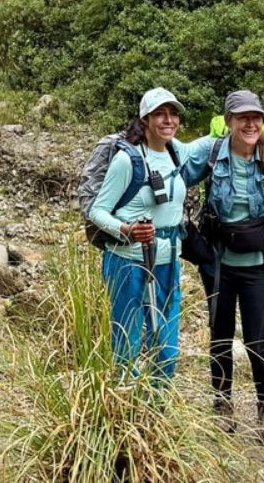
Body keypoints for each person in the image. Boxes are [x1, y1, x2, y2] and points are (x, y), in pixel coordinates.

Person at [180, 90, 264, 442]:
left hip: (259, 263)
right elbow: (170, 176)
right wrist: (186, 233)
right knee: (221, 335)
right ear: (228, 121)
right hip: (217, 261)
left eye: (256, 117)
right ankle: (222, 402)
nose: (250, 123)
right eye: (242, 117)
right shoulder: (210, 153)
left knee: (259, 339)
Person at [87, 86, 192, 381]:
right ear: (145, 119)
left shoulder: (175, 153)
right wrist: (126, 230)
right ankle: (125, 410)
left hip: (168, 262)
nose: (168, 120)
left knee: (167, 349)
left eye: (173, 114)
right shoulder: (128, 160)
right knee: (127, 344)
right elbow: (97, 211)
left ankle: (155, 411)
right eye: (160, 114)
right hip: (128, 261)